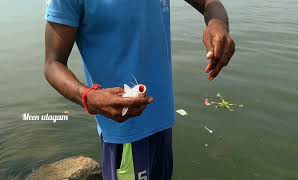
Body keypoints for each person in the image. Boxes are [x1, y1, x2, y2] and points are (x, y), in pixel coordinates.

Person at [44, 0, 235, 179]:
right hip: (124, 133)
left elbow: (211, 4)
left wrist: (218, 25)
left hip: (163, 123)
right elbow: (53, 63)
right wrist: (89, 97)